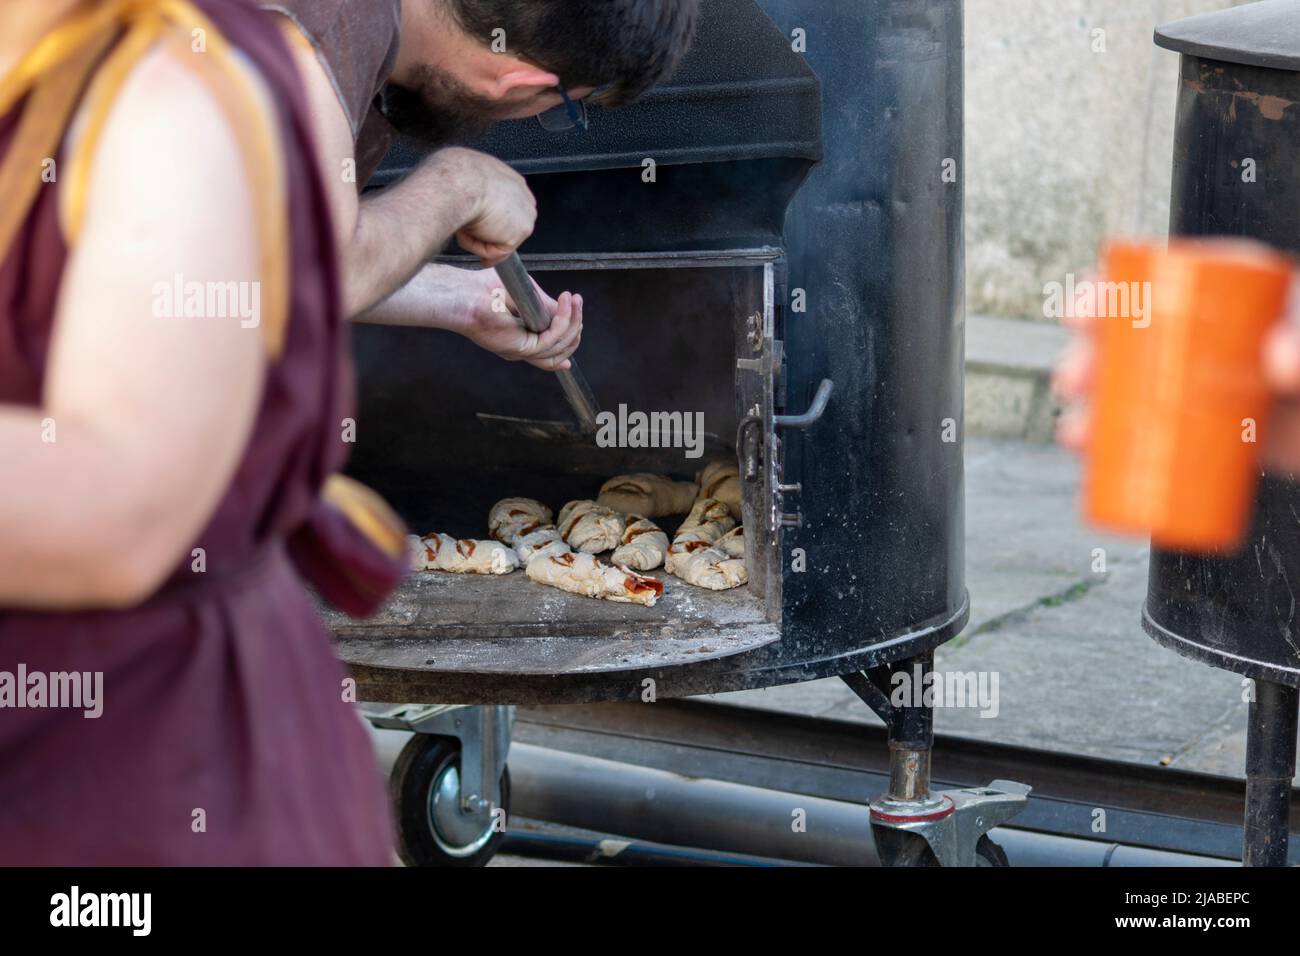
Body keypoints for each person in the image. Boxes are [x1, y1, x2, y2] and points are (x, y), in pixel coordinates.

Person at [265, 0, 699, 360]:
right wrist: (462, 183)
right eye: (557, 107)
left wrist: (464, 300)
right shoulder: (324, 29)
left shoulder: (369, 33)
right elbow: (299, 271)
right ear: (515, 82)